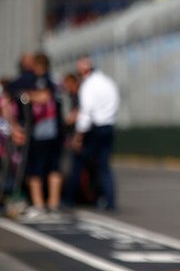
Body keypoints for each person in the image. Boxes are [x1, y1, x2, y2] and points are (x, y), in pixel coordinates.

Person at [65, 55, 120, 210]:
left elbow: (86, 113)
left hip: (94, 129)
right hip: (108, 126)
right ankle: (109, 201)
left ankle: (69, 199)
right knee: (103, 166)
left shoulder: (88, 86)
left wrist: (78, 136)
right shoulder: (108, 82)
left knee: (78, 163)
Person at [16, 53, 65, 220]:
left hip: (40, 132)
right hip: (56, 132)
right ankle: (53, 204)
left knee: (35, 170)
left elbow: (42, 97)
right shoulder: (55, 81)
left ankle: (39, 205)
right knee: (54, 168)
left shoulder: (39, 81)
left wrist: (27, 96)